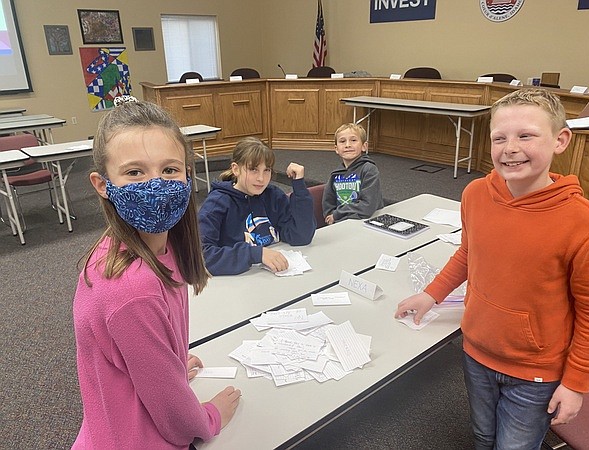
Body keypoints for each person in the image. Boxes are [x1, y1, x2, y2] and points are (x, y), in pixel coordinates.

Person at [395, 88, 589, 449]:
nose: (510, 148)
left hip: (536, 373)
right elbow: (468, 254)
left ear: (560, 140)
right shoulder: (475, 194)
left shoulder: (584, 223)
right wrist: (432, 294)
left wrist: (576, 384)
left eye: (526, 135)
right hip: (477, 352)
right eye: (499, 138)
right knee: (483, 436)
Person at [72, 99, 241, 449]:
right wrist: (210, 415)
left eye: (169, 170)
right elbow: (177, 421)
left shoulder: (158, 246)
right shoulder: (133, 288)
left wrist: (170, 367)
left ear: (187, 175)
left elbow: (132, 349)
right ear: (103, 184)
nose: (156, 185)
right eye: (135, 172)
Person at [198, 137, 316, 275]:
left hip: (272, 277)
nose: (261, 178)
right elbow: (202, 257)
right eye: (253, 169)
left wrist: (299, 187)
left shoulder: (273, 196)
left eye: (266, 170)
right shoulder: (217, 204)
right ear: (236, 169)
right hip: (238, 283)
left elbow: (301, 236)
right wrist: (256, 254)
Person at [322, 123, 384, 225]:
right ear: (336, 148)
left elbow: (368, 206)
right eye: (342, 141)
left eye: (353, 140)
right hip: (341, 223)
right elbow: (328, 204)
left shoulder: (369, 170)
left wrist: (337, 214)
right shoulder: (335, 175)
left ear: (364, 146)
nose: (347, 145)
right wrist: (333, 217)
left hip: (368, 222)